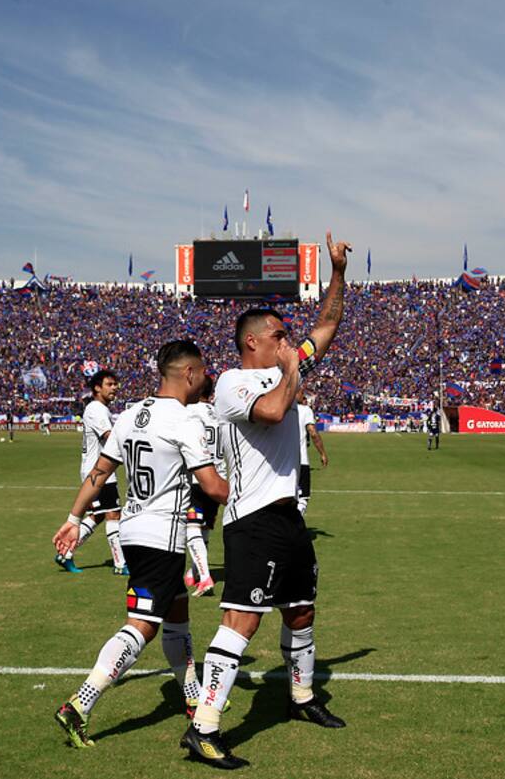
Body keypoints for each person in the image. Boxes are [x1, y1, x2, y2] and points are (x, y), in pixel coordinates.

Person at [184, 231, 351, 769]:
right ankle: (204, 726)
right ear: (253, 341)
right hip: (252, 520)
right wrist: (293, 365)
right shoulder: (234, 382)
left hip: (290, 516)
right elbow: (277, 411)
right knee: (242, 622)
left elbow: (326, 327)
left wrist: (339, 274)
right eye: (279, 335)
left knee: (301, 611)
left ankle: (301, 698)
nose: (289, 340)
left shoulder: (281, 365)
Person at [51, 340, 229, 749]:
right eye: (202, 371)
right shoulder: (184, 421)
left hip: (132, 530)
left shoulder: (131, 414)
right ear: (188, 374)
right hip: (160, 537)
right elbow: (213, 486)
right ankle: (81, 702)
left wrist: (74, 519)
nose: (204, 378)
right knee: (143, 625)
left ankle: (191, 695)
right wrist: (254, 497)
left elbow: (99, 472)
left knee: (177, 611)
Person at [56, 370, 126, 575]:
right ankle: (120, 564)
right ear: (97, 387)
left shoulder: (100, 408)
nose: (114, 388)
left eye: (115, 384)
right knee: (114, 513)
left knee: (98, 515)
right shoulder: (96, 409)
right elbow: (110, 437)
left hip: (98, 469)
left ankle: (66, 553)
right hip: (98, 471)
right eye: (110, 384)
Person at [184, 374, 224, 596]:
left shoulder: (190, 412)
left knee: (191, 528)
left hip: (197, 478)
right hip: (218, 478)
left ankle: (205, 576)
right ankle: (194, 572)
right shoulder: (218, 413)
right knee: (204, 528)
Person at [296, 389, 327, 517]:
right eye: (301, 393)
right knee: (303, 498)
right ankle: (295, 526)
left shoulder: (281, 411)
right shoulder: (305, 410)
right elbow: (313, 433)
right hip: (301, 461)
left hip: (281, 463)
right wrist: (323, 453)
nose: (304, 396)